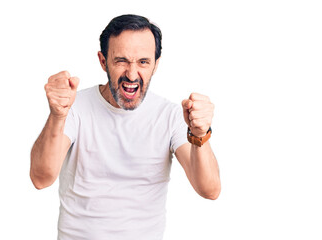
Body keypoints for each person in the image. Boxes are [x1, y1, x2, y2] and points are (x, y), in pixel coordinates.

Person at [30, 14, 221, 239]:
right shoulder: (75, 107)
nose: (131, 74)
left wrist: (199, 135)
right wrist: (57, 115)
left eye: (143, 62)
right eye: (121, 61)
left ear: (155, 65)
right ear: (103, 61)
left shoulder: (170, 115)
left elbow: (210, 190)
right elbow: (41, 178)